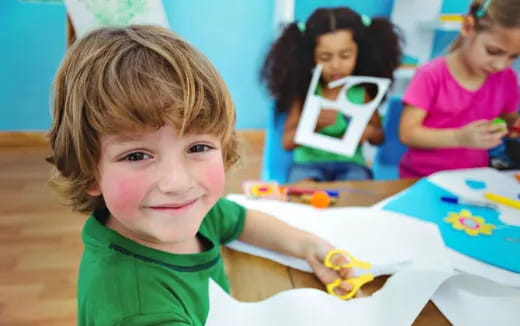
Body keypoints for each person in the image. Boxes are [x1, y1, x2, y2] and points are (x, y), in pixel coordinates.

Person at [46, 25, 356, 326]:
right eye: (137, 155)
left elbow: (240, 221)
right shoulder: (139, 312)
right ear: (89, 172)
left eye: (197, 147)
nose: (177, 183)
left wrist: (308, 247)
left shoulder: (192, 211)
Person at [261, 7, 402, 183]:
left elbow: (379, 137)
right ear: (310, 57)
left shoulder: (361, 92)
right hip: (308, 164)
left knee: (353, 195)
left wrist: (370, 132)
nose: (335, 65)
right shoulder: (306, 94)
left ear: (360, 53)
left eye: (345, 56)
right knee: (303, 192)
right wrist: (313, 124)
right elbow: (287, 142)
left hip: (351, 164)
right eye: (325, 57)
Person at [398, 0, 520, 178]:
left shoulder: (506, 78)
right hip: (422, 178)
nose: (500, 65)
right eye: (493, 51)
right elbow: (407, 134)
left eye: (514, 56)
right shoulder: (431, 75)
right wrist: (459, 137)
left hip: (473, 178)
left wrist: (510, 125)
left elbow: (507, 119)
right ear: (467, 27)